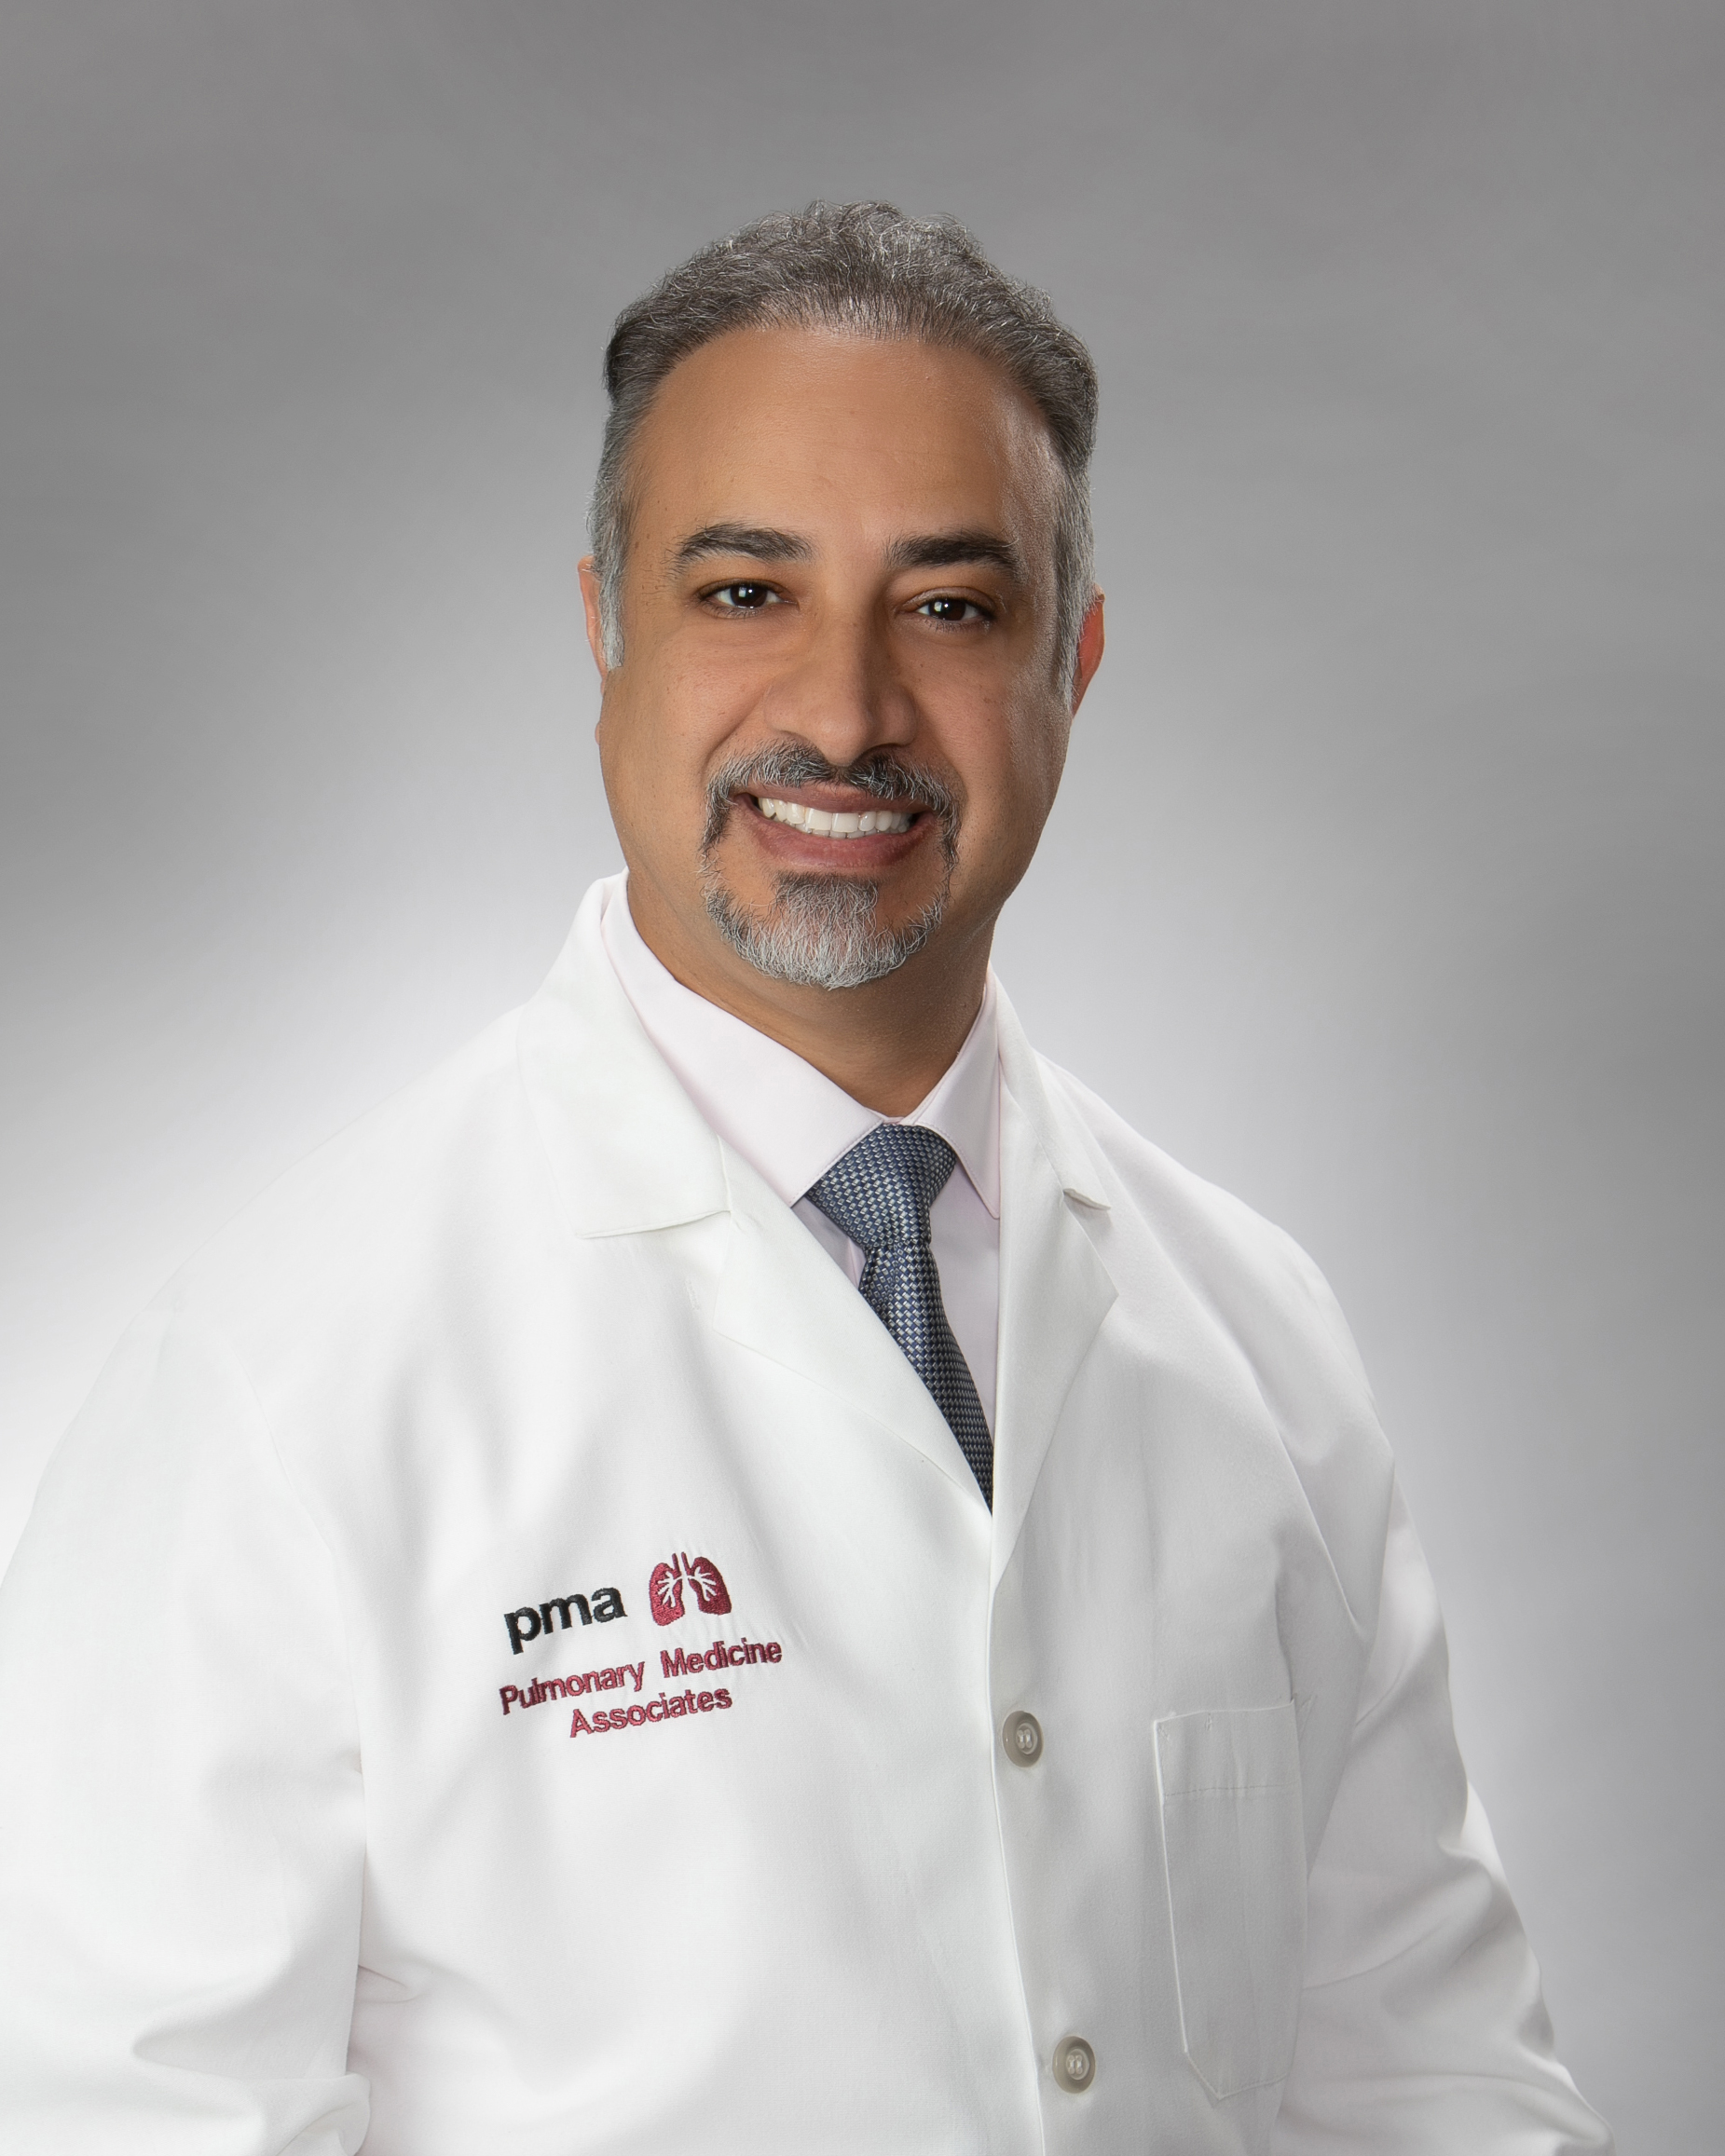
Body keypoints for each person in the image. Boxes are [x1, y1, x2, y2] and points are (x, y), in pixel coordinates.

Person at [0, 202, 1610, 2155]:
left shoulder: (1257, 1337)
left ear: (1076, 662)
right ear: (604, 631)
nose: (843, 714)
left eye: (950, 607)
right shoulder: (277, 1382)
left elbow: (1430, 2081)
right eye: (745, 591)